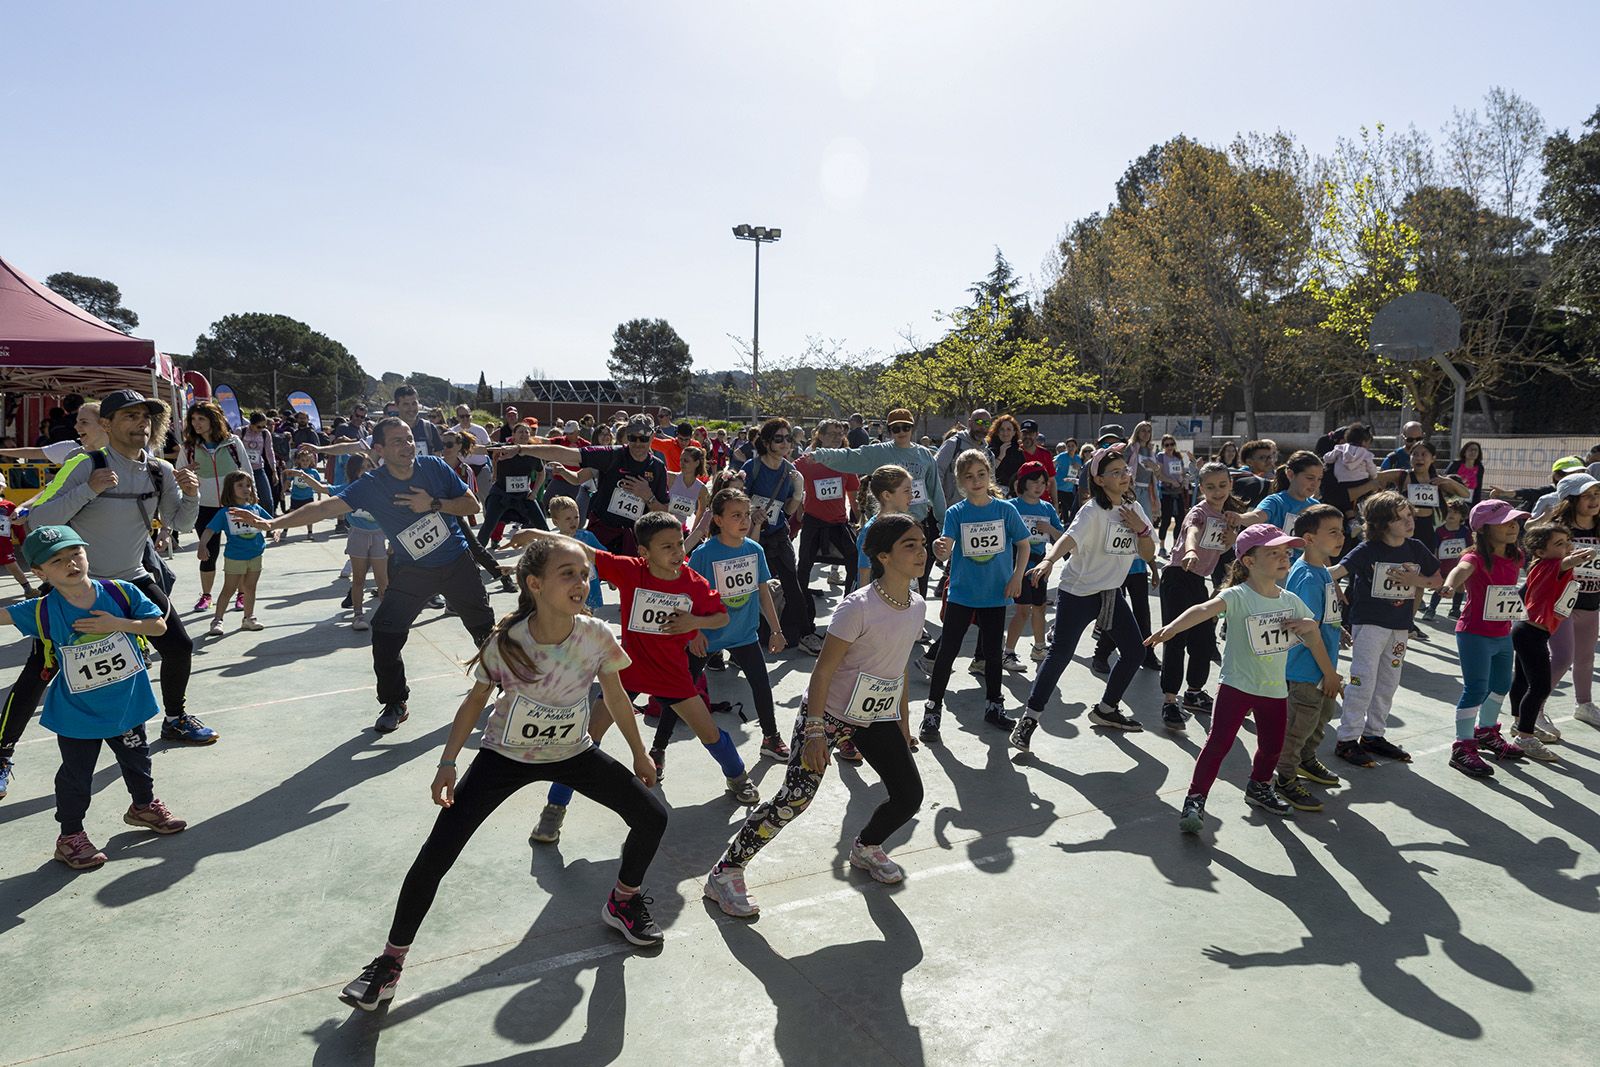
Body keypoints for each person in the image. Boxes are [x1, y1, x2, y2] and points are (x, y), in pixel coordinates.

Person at [338, 539, 669, 1011]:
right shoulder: (509, 642)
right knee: (437, 853)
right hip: (504, 757)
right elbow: (474, 702)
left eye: (584, 573)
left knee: (652, 816)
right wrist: (448, 762)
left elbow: (614, 697)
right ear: (535, 585)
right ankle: (390, 962)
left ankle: (622, 900)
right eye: (568, 573)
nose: (582, 582)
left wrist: (639, 753)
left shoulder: (596, 634)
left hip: (572, 752)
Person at [703, 514, 927, 917]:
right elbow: (821, 673)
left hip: (874, 716)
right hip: (827, 714)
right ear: (884, 556)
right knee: (795, 799)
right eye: (909, 545)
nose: (921, 551)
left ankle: (866, 847)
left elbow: (899, 667)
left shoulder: (916, 605)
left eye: (922, 544)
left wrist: (904, 724)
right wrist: (817, 731)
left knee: (909, 795)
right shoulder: (857, 608)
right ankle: (726, 871)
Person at [230, 417, 496, 734]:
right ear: (379, 449)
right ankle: (395, 701)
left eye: (409, 438)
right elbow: (326, 509)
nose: (407, 445)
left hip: (456, 563)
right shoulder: (373, 485)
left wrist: (433, 503)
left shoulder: (434, 468)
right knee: (385, 634)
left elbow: (472, 505)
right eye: (397, 441)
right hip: (414, 571)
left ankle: (509, 687)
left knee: (485, 632)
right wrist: (274, 524)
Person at [518, 512, 759, 845]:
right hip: (626, 672)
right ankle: (553, 810)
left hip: (672, 676)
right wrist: (534, 531)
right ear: (644, 552)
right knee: (585, 738)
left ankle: (737, 777)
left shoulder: (693, 583)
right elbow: (584, 551)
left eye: (678, 544)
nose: (677, 552)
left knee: (710, 733)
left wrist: (693, 623)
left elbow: (720, 616)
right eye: (667, 547)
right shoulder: (630, 570)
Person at [14, 390, 215, 756]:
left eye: (146, 417)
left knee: (179, 646)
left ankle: (175, 720)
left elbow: (179, 522)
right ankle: (3, 752)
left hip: (131, 579)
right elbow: (39, 519)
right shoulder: (84, 465)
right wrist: (89, 490)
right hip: (77, 585)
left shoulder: (160, 470)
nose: (142, 423)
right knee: (41, 669)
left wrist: (192, 495)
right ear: (107, 424)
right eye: (130, 416)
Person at [0, 526, 187, 866]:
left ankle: (143, 807)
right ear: (39, 572)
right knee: (76, 776)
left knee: (138, 761)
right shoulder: (42, 610)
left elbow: (158, 626)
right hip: (77, 714)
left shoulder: (120, 592)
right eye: (58, 560)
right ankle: (70, 836)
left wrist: (119, 623)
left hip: (127, 704)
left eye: (76, 554)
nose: (71, 563)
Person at [1146, 523, 1337, 832]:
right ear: (1249, 561)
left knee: (1273, 746)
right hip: (1236, 685)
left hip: (1274, 691)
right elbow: (1203, 608)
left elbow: (1313, 637)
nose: (1283, 557)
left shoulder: (1290, 601)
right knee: (1218, 743)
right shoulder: (1238, 595)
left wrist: (1329, 671)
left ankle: (1259, 787)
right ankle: (1195, 798)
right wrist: (1171, 629)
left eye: (1285, 552)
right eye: (1272, 553)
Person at [1010, 444, 1156, 752]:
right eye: (1115, 473)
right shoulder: (1093, 510)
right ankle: (1029, 719)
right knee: (1060, 655)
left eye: (1125, 471)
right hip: (1078, 592)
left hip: (1110, 593)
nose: (1124, 476)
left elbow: (1148, 553)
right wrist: (1049, 560)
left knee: (1135, 652)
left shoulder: (1134, 510)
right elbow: (1069, 537)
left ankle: (1107, 708)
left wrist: (1141, 529)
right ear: (1100, 480)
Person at [657, 487, 788, 760]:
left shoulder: (755, 550)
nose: (744, 521)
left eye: (747, 515)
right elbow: (685, 597)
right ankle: (658, 749)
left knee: (762, 687)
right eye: (736, 515)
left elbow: (763, 593)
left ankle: (771, 738)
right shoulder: (705, 554)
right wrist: (693, 634)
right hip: (706, 636)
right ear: (717, 520)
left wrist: (776, 630)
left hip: (744, 635)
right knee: (681, 693)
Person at [920, 449, 1032, 741]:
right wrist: (939, 549)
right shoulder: (957, 513)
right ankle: (932, 710)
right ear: (960, 482)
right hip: (962, 592)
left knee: (994, 654)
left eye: (981, 474)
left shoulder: (1006, 510)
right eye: (969, 477)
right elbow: (946, 545)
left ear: (989, 476)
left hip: (996, 593)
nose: (976, 480)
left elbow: (1023, 544)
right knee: (948, 652)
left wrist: (1017, 576)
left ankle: (994, 705)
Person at [1331, 490, 1442, 768]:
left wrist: (1415, 579)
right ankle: (1347, 739)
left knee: (1388, 682)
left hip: (1399, 627)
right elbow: (1337, 571)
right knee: (1362, 680)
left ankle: (1373, 735)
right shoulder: (1368, 549)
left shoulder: (1415, 547)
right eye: (1400, 518)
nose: (1409, 522)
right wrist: (1311, 571)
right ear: (1382, 524)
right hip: (1369, 624)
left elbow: (1437, 580)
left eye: (1409, 516)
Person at [1437, 500, 1531, 777]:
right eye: (1505, 522)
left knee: (1501, 684)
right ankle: (1462, 746)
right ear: (1484, 529)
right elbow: (1460, 570)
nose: (1514, 526)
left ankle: (1486, 731)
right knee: (1476, 688)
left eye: (1515, 521)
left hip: (1502, 633)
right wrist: (1449, 585)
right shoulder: (1474, 558)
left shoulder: (1517, 556)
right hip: (1474, 633)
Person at [805, 408, 944, 595]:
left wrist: (943, 525)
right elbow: (850, 456)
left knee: (918, 585)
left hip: (917, 526)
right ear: (889, 431)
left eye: (906, 427)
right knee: (885, 585)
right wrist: (821, 455)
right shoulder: (880, 452)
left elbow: (936, 491)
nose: (901, 432)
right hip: (888, 529)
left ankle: (913, 620)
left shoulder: (925, 455)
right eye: (896, 429)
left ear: (912, 428)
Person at [1273, 504, 1350, 809]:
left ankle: (1306, 760)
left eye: (1342, 531)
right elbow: (1304, 630)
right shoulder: (1306, 576)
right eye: (1332, 532)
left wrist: (1338, 629)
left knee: (1322, 716)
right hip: (1307, 669)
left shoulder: (1322, 572)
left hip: (1324, 665)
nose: (1340, 537)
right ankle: (1285, 777)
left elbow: (1320, 617)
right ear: (1308, 538)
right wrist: (1328, 673)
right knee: (1299, 726)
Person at [1156, 462, 1239, 729]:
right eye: (1211, 487)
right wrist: (1190, 551)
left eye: (1222, 486)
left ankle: (1193, 692)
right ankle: (1169, 701)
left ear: (1230, 485)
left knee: (1204, 640)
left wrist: (1232, 537)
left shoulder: (1228, 515)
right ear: (1200, 488)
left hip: (1198, 582)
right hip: (1177, 576)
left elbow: (1228, 549)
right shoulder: (1199, 512)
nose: (1217, 491)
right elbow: (1192, 532)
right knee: (1176, 637)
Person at [524, 414, 669, 556]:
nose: (638, 443)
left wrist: (648, 496)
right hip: (602, 530)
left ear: (651, 437)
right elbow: (569, 456)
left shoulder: (657, 467)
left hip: (633, 537)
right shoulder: (611, 455)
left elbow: (664, 510)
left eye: (643, 438)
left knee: (625, 579)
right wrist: (520, 449)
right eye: (632, 438)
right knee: (589, 576)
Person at [1508, 522, 1592, 762]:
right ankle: (1525, 737)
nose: (1566, 547)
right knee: (1541, 686)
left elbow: (1524, 594)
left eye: (1567, 541)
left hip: (1529, 630)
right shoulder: (1551, 565)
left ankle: (1519, 724)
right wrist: (1583, 555)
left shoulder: (1542, 565)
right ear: (1540, 552)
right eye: (1558, 544)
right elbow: (1564, 562)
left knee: (1523, 680)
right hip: (1531, 633)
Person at [740, 419, 815, 653]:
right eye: (778, 438)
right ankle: (746, 636)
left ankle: (804, 633)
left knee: (792, 583)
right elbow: (737, 499)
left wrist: (799, 489)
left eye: (788, 438)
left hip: (778, 534)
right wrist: (751, 511)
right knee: (751, 586)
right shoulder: (752, 468)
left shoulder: (790, 471)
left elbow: (789, 511)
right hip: (753, 536)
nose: (785, 443)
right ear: (765, 442)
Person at [182, 401, 252, 614]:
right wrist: (187, 470)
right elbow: (177, 476)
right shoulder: (189, 447)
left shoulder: (233, 443)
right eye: (193, 420)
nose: (196, 424)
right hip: (204, 507)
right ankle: (206, 596)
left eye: (201, 419)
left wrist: (251, 500)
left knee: (239, 552)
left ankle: (241, 594)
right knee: (207, 553)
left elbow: (247, 471)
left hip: (234, 505)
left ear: (213, 420)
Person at [1544, 473, 1600, 728]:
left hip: (1591, 603)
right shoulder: (1559, 531)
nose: (1594, 499)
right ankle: (1535, 708)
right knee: (1561, 659)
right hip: (1561, 605)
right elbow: (1544, 566)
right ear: (1570, 499)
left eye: (1597, 494)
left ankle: (1584, 704)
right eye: (1587, 495)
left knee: (1586, 658)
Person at [199, 472, 278, 636]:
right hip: (235, 557)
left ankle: (248, 618)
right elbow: (209, 530)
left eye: (248, 485)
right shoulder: (226, 512)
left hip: (256, 555)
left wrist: (275, 530)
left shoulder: (256, 509)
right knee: (229, 588)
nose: (245, 489)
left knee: (250, 588)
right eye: (240, 485)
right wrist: (202, 545)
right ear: (230, 489)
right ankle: (217, 620)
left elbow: (270, 523)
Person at [1002, 461, 1064, 668]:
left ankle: (1039, 647)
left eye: (1043, 482)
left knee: (1040, 607)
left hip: (1039, 565)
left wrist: (1049, 528)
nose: (1039, 486)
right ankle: (1008, 652)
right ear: (1022, 483)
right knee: (1022, 610)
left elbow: (1063, 537)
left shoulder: (1047, 508)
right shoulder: (1011, 506)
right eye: (1034, 481)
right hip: (1017, 563)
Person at [794, 420, 860, 597]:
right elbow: (790, 476)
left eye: (840, 434)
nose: (837, 438)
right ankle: (801, 607)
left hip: (838, 523)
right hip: (813, 521)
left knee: (854, 559)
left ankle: (849, 602)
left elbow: (854, 497)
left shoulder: (846, 461)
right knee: (804, 565)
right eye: (831, 434)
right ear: (820, 436)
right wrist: (798, 507)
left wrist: (860, 520)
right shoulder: (808, 461)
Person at [478, 423, 548, 549]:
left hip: (524, 495)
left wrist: (534, 492)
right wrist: (463, 446)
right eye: (520, 432)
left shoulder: (532, 452)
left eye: (527, 432)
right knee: (488, 526)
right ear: (513, 435)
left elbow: (541, 473)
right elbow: (482, 449)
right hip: (501, 494)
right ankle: (474, 558)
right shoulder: (503, 448)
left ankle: (553, 554)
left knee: (543, 527)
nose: (524, 434)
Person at [1237, 450, 1324, 535]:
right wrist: (1240, 518)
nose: (1315, 484)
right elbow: (1257, 516)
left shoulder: (1316, 506)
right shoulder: (1275, 502)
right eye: (1310, 478)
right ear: (1290, 475)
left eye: (1319, 479)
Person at [1423, 498, 1471, 621]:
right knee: (1440, 586)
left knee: (1460, 586)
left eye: (1455, 512)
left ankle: (1455, 609)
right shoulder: (1439, 531)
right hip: (1443, 566)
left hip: (1459, 566)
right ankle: (1431, 609)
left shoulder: (1465, 532)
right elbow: (1435, 550)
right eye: (1449, 511)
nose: (1451, 515)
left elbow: (1470, 548)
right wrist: (1435, 566)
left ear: (1462, 516)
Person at [1152, 434, 1189, 551]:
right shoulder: (1161, 456)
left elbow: (1182, 473)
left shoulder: (1178, 457)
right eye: (1167, 445)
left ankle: (1175, 546)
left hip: (1178, 492)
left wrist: (1183, 480)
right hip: (1166, 492)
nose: (1169, 447)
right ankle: (1162, 547)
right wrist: (1171, 481)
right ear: (1163, 446)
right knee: (1166, 520)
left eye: (1172, 444)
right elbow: (1159, 474)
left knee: (1180, 520)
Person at [239, 412, 280, 517]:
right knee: (243, 498)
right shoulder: (241, 431)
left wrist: (274, 471)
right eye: (259, 426)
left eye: (264, 426)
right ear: (251, 424)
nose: (261, 428)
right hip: (242, 470)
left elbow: (269, 452)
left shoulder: (265, 433)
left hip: (258, 469)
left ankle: (269, 525)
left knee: (267, 498)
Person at [665, 445, 711, 526]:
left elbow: (701, 511)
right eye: (681, 460)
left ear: (696, 463)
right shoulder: (670, 477)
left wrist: (693, 532)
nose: (681, 463)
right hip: (661, 525)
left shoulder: (701, 489)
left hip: (680, 530)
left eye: (686, 461)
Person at [1053, 438, 1081, 524]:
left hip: (1069, 487)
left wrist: (1078, 468)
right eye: (1068, 446)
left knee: (1069, 507)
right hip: (1058, 486)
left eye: (1073, 446)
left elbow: (1079, 474)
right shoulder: (1062, 456)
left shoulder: (1077, 458)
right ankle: (1057, 522)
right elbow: (1052, 464)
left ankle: (1067, 523)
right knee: (1060, 506)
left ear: (1076, 447)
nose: (1071, 448)